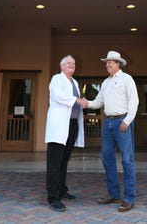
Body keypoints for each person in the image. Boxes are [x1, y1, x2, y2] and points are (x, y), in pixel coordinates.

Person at [81, 51, 139, 212]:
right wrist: (86, 103)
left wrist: (127, 121)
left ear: (118, 64)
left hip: (122, 122)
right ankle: (113, 194)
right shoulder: (105, 82)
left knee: (127, 160)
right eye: (106, 62)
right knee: (106, 157)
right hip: (108, 123)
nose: (107, 65)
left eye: (110, 62)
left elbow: (134, 101)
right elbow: (98, 102)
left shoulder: (127, 79)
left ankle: (129, 198)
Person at [45, 55, 85, 212]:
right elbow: (58, 96)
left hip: (72, 125)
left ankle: (62, 190)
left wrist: (82, 101)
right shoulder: (56, 79)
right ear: (61, 66)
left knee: (64, 161)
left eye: (73, 63)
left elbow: (76, 101)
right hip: (59, 126)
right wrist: (77, 100)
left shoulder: (74, 82)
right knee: (54, 162)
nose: (72, 65)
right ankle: (53, 197)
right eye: (68, 63)